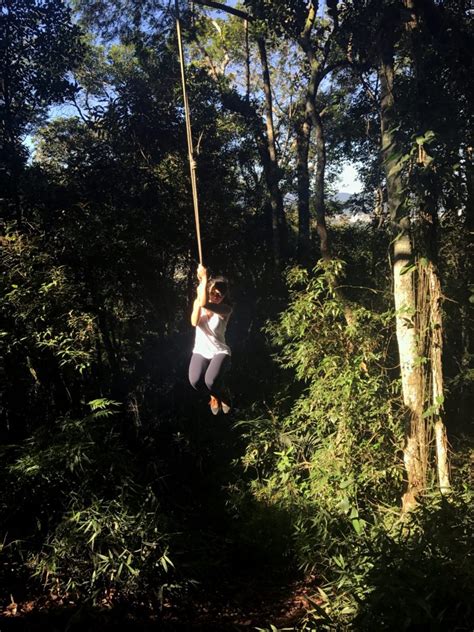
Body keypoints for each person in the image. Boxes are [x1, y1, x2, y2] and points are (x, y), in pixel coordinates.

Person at [189, 263, 232, 414]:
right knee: (195, 382)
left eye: (219, 295)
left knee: (210, 380)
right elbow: (194, 322)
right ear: (208, 291)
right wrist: (202, 286)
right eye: (213, 292)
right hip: (201, 350)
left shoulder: (225, 310)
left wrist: (204, 278)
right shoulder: (199, 303)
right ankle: (215, 394)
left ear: (223, 297)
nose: (215, 296)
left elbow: (205, 303)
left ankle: (222, 392)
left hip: (219, 351)